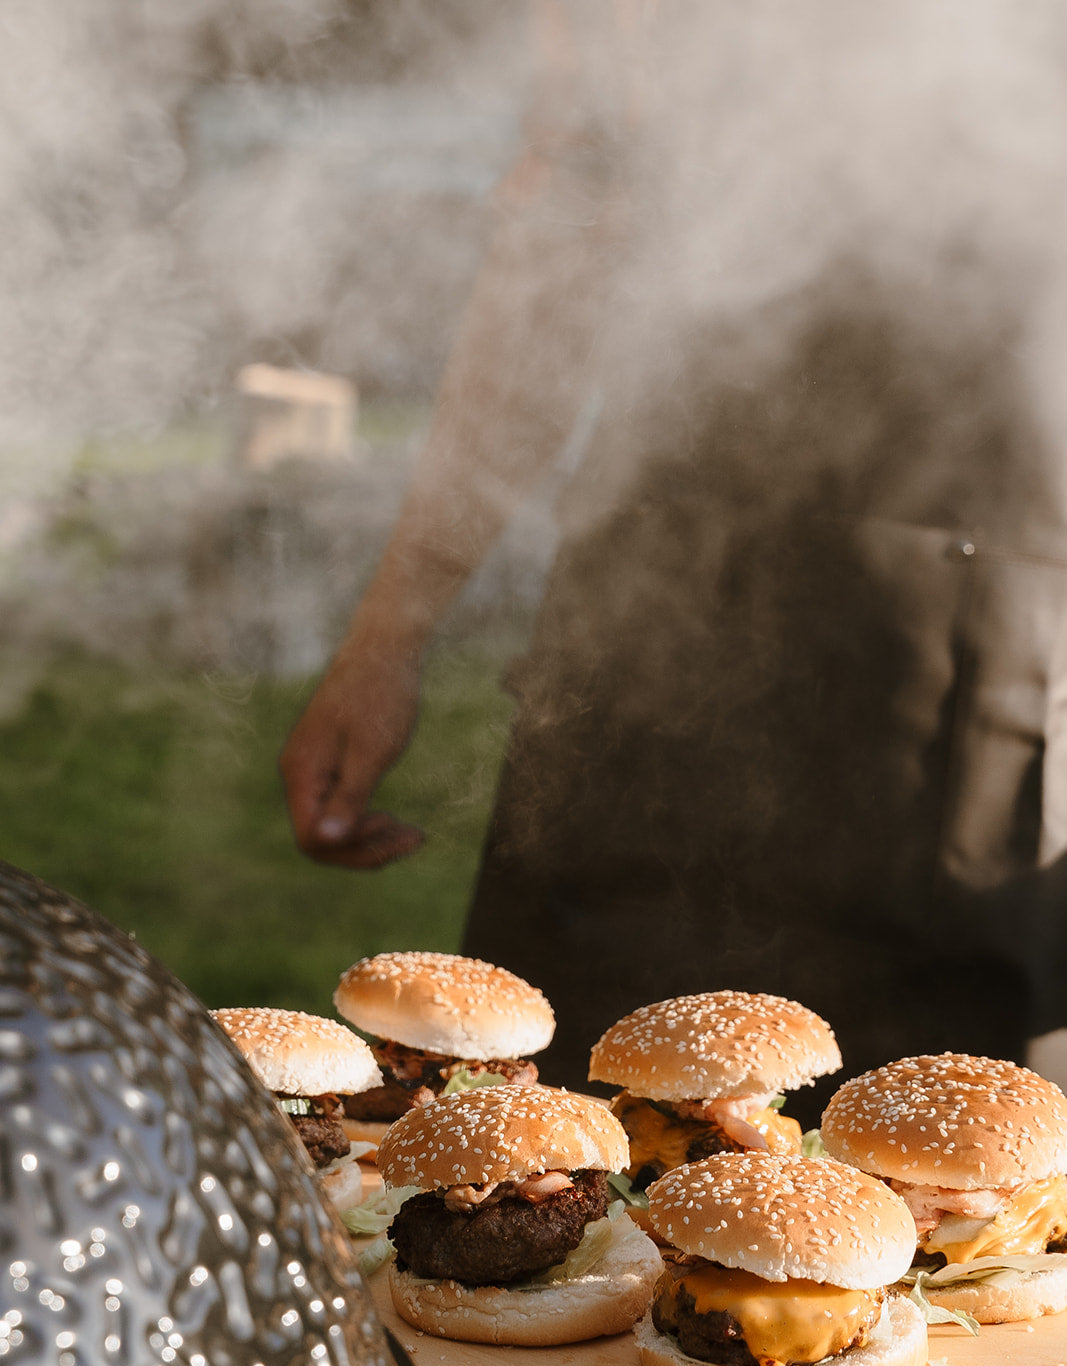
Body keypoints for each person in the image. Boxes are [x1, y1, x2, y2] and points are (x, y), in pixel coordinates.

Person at [281, 3, 1067, 1117]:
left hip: (969, 686)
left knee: (966, 1211)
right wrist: (388, 634)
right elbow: (544, 284)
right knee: (558, 1157)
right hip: (641, 643)